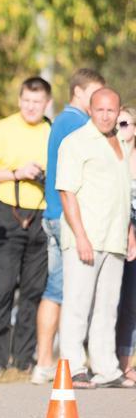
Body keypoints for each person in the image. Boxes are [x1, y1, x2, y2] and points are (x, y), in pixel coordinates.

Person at [57, 88, 135, 388]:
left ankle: (106, 366)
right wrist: (81, 236)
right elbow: (67, 192)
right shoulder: (76, 142)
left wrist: (129, 232)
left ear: (118, 112)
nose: (106, 115)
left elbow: (121, 194)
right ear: (90, 110)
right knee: (78, 304)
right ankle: (73, 366)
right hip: (85, 238)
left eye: (111, 110)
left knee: (107, 305)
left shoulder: (122, 144)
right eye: (100, 110)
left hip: (114, 238)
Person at [32, 68, 105, 384]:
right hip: (64, 214)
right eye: (95, 93)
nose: (99, 101)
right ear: (79, 91)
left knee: (64, 288)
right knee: (60, 288)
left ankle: (52, 358)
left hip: (60, 213)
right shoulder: (74, 121)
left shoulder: (64, 121)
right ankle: (46, 360)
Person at [0, 77, 52, 374]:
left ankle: (23, 359)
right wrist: (16, 173)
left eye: (37, 102)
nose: (31, 107)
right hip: (8, 214)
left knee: (34, 291)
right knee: (3, 289)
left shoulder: (51, 130)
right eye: (26, 101)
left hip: (42, 215)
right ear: (19, 99)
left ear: (46, 103)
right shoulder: (3, 128)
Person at [115, 105, 136, 383]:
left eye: (124, 124)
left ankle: (125, 363)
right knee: (109, 302)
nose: (120, 129)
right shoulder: (110, 156)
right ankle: (109, 362)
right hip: (113, 231)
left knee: (131, 302)